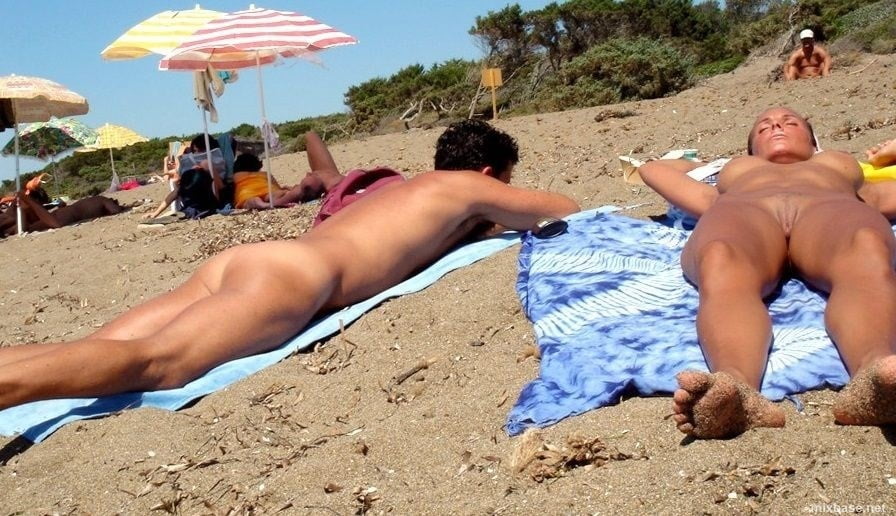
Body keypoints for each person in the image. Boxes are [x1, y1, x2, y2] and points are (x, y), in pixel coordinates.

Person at [0, 120, 579, 410]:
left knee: (93, 350)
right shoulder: (466, 188)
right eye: (504, 182)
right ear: (488, 175)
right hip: (295, 279)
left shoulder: (405, 191)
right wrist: (495, 207)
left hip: (253, 260)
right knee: (158, 364)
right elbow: (562, 208)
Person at [639, 107, 896, 439]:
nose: (776, 126)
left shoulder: (837, 166)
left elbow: (881, 196)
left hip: (830, 209)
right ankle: (735, 389)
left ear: (813, 141)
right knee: (720, 258)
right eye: (763, 127)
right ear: (750, 149)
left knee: (866, 248)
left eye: (791, 122)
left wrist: (886, 157)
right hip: (746, 211)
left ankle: (878, 375)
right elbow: (651, 169)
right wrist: (700, 164)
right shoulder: (734, 174)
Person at [0, 187, 126, 237]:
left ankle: (25, 206)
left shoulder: (99, 200)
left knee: (21, 226)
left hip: (57, 216)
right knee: (20, 225)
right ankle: (25, 204)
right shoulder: (102, 200)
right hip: (57, 217)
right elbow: (116, 210)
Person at [232, 153, 326, 210]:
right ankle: (285, 197)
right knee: (276, 194)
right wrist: (283, 190)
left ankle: (261, 204)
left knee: (250, 200)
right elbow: (276, 186)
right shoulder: (265, 174)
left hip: (246, 192)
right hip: (267, 189)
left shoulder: (235, 176)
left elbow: (232, 188)